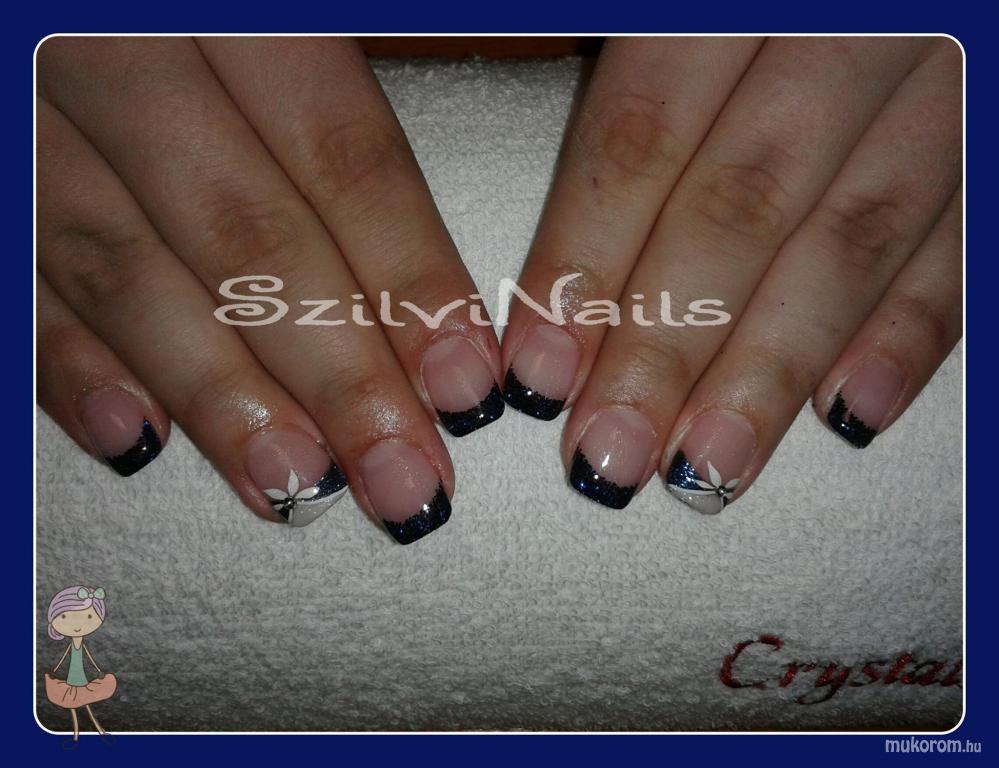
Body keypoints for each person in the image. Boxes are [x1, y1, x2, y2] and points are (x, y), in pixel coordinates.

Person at [44, 586, 117, 742]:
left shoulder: (82, 644)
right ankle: (77, 732)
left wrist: (97, 669)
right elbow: (65, 656)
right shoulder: (71, 644)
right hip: (72, 679)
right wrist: (56, 669)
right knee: (73, 704)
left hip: (81, 679)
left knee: (85, 703)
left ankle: (97, 730)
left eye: (89, 616)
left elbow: (89, 657)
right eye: (64, 616)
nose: (77, 626)